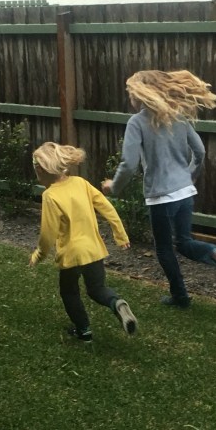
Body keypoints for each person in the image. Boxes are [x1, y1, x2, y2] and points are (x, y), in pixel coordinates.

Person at [102, 69, 216, 309]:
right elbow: (200, 151)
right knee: (184, 242)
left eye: (130, 92)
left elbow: (129, 164)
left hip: (161, 197)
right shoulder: (178, 117)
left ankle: (180, 296)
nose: (129, 96)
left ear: (141, 93)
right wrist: (188, 176)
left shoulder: (136, 122)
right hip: (185, 193)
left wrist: (114, 186)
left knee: (164, 249)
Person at [29, 141, 138, 342]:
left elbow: (47, 234)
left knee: (69, 292)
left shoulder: (50, 195)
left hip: (72, 255)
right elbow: (107, 208)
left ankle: (84, 331)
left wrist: (39, 255)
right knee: (97, 289)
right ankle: (117, 303)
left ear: (41, 170)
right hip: (94, 250)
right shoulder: (81, 183)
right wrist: (121, 235)